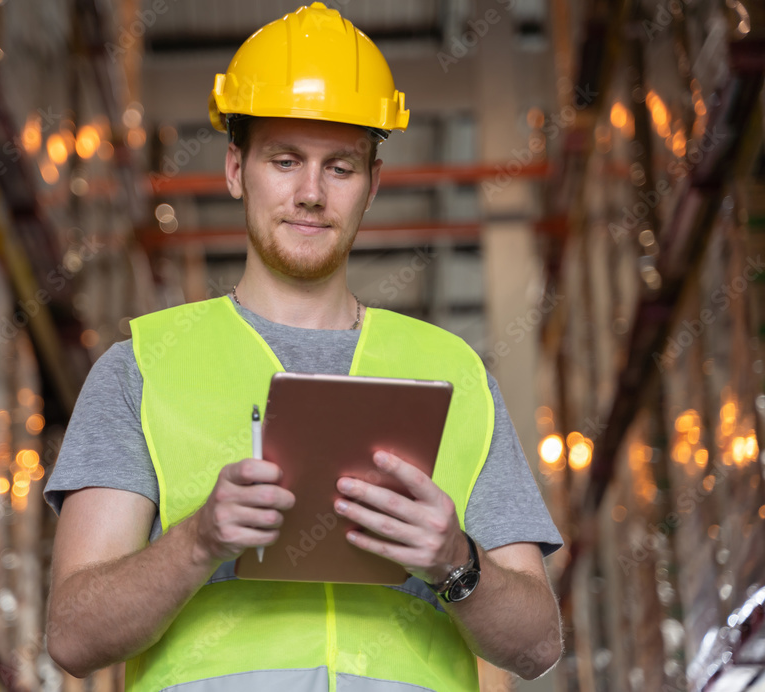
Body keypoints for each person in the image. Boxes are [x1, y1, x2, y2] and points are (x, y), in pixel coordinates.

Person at [44, 3, 563, 690]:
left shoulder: (454, 375)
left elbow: (537, 645)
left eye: (341, 168)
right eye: (284, 161)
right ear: (236, 170)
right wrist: (198, 542)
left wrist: (452, 560)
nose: (311, 194)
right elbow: (73, 635)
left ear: (373, 186)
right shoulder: (142, 369)